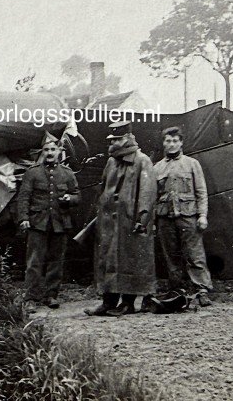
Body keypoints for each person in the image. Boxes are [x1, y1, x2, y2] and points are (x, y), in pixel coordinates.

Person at [84, 121, 157, 317]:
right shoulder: (111, 162)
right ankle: (107, 302)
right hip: (108, 221)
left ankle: (128, 303)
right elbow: (103, 187)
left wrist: (142, 218)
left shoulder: (143, 161)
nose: (113, 143)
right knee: (108, 260)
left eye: (117, 139)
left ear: (128, 139)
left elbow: (147, 192)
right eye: (112, 139)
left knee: (129, 259)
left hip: (130, 220)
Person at [16, 134, 80, 311]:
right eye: (47, 150)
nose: (50, 153)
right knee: (34, 261)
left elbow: (77, 195)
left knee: (56, 261)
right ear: (42, 152)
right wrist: (23, 218)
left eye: (53, 149)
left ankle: (51, 295)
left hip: (59, 223)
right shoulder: (33, 172)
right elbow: (24, 198)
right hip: (38, 223)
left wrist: (70, 198)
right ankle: (31, 297)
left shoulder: (67, 174)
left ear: (59, 151)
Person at [153, 126, 213, 306]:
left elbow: (201, 192)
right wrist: (154, 222)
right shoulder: (157, 168)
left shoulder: (192, 164)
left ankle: (202, 289)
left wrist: (202, 215)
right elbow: (154, 197)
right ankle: (177, 289)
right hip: (165, 217)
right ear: (163, 143)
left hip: (188, 216)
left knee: (195, 254)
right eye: (168, 141)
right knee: (171, 256)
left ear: (181, 143)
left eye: (175, 141)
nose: (171, 144)